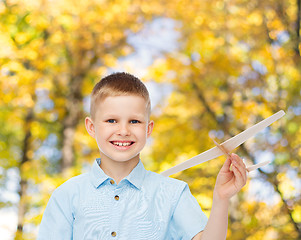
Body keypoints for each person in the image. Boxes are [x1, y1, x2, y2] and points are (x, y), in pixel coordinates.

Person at [37, 72, 247, 240]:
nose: (123, 130)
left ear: (148, 128)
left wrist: (221, 199)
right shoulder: (66, 196)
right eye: (111, 120)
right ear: (91, 127)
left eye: (134, 121)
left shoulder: (173, 194)